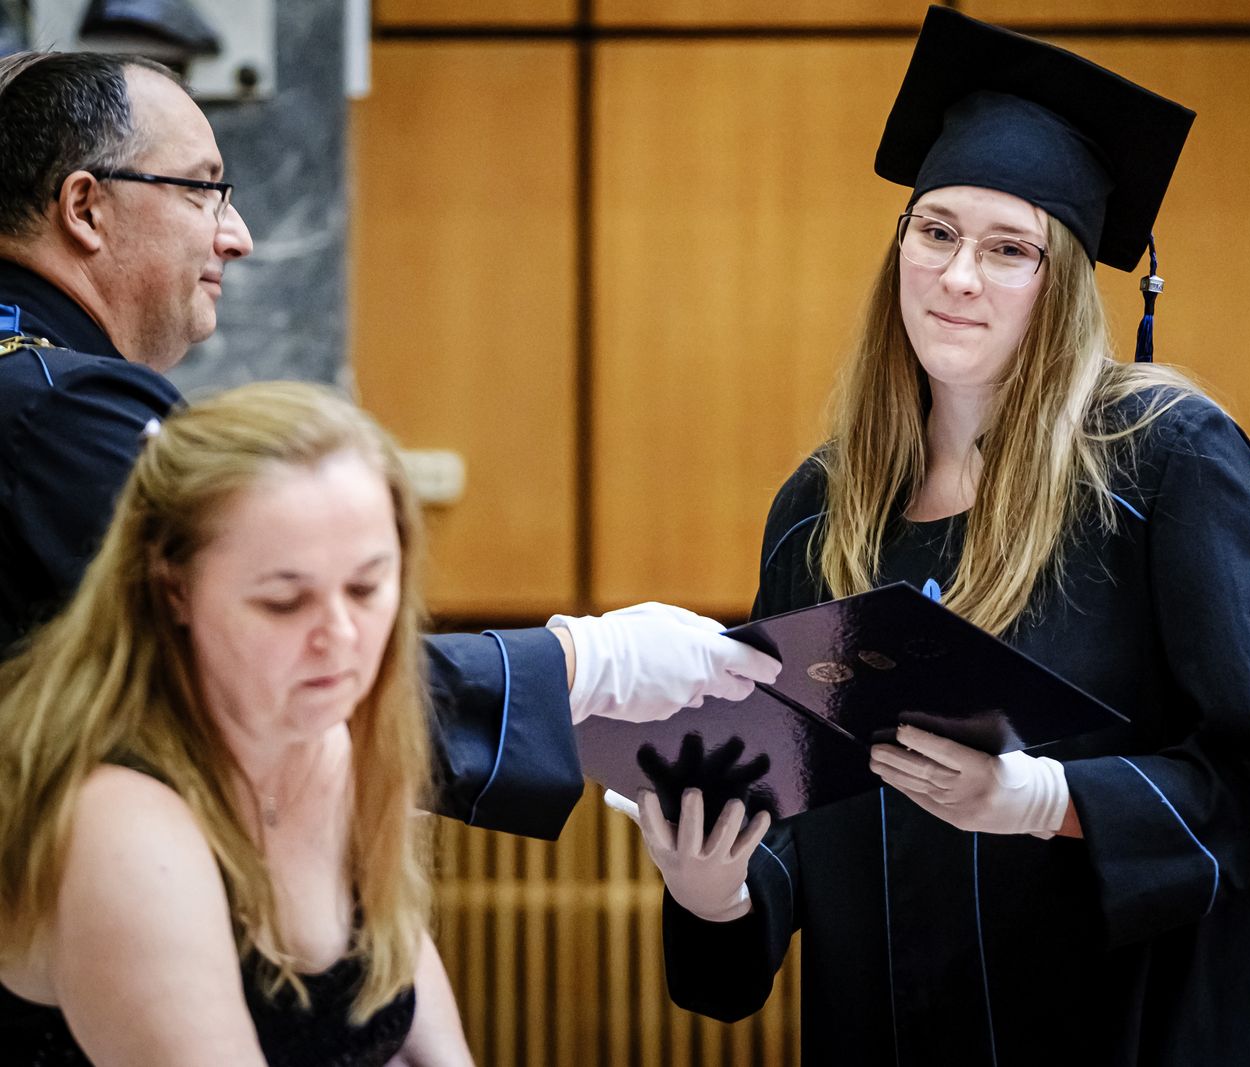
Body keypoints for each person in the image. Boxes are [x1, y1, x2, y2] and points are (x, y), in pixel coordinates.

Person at [614, 8, 1250, 1064]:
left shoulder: (1163, 468)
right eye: (937, 232)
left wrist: (1048, 800)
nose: (959, 275)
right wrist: (715, 884)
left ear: (1064, 283)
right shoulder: (818, 511)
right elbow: (796, 805)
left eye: (1010, 250)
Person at [0, 50, 779, 838]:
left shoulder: (33, 382)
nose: (237, 236)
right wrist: (583, 663)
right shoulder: (66, 407)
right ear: (85, 207)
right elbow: (246, 683)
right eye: (203, 190)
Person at [0, 381, 473, 1064]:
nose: (341, 636)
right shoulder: (122, 825)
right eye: (284, 602)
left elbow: (413, 1027)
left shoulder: (330, 734)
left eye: (367, 587)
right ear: (173, 586)